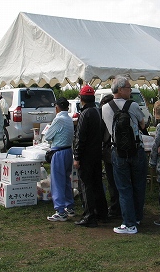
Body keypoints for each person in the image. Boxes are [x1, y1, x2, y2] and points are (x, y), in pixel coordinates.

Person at [102, 76, 147, 234]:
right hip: (136, 150)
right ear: (120, 89)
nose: (131, 90)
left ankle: (128, 222)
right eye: (129, 87)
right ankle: (136, 218)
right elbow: (143, 123)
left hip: (118, 151)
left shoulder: (105, 108)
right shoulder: (133, 105)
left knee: (123, 187)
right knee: (139, 185)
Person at [73, 85, 108, 227]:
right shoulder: (98, 111)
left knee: (86, 185)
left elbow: (80, 138)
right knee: (97, 184)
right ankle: (102, 213)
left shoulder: (85, 114)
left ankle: (89, 216)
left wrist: (77, 157)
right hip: (97, 154)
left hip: (86, 155)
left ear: (82, 99)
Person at [44, 97, 75, 222]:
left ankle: (60, 211)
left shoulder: (59, 119)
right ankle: (69, 206)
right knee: (66, 180)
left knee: (57, 182)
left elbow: (48, 136)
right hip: (68, 151)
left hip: (58, 152)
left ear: (57, 107)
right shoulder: (69, 119)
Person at [100, 94, 121, 219]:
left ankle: (115, 208)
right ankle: (120, 206)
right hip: (122, 152)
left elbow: (103, 137)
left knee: (112, 182)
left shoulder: (106, 118)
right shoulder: (120, 114)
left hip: (110, 153)